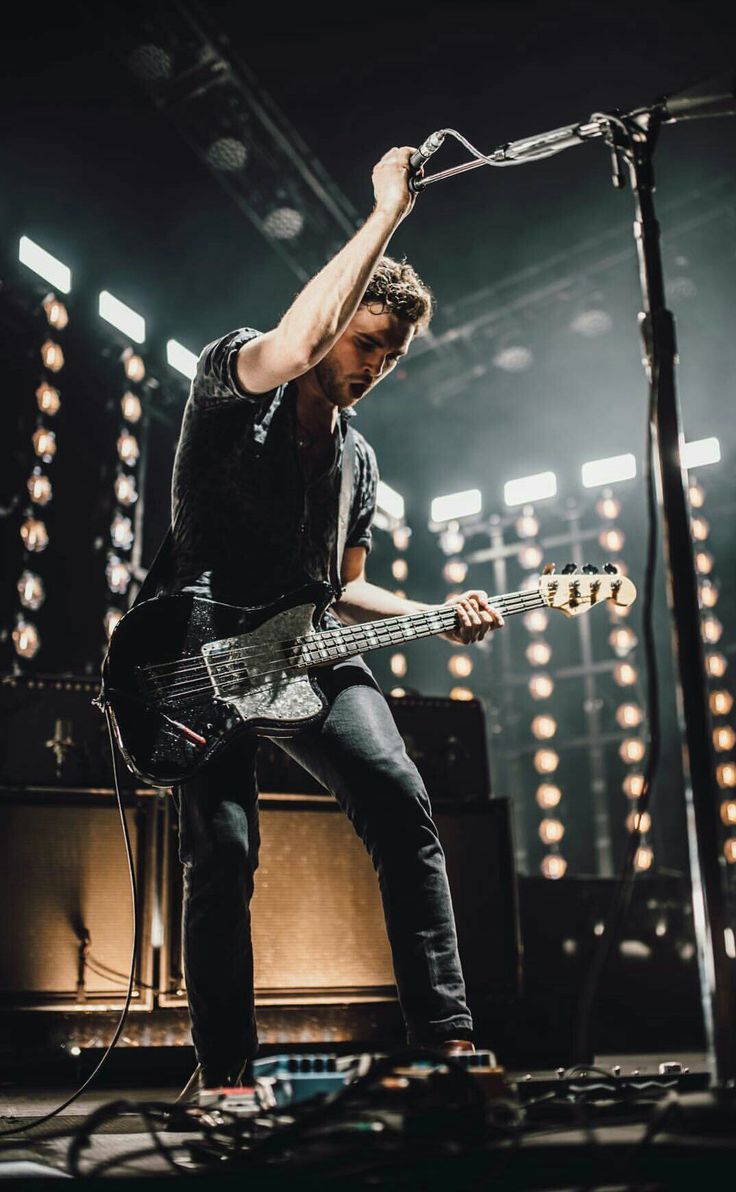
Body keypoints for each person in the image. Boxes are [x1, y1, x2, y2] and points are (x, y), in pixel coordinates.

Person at [170, 146, 505, 1094]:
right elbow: (297, 338)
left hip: (309, 650)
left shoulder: (360, 462)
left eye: (392, 359)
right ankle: (225, 1077)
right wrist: (386, 214)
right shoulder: (238, 381)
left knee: (403, 804)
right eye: (367, 346)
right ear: (335, 327)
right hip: (200, 646)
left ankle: (447, 1044)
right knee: (225, 853)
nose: (375, 370)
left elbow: (341, 584)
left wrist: (433, 613)